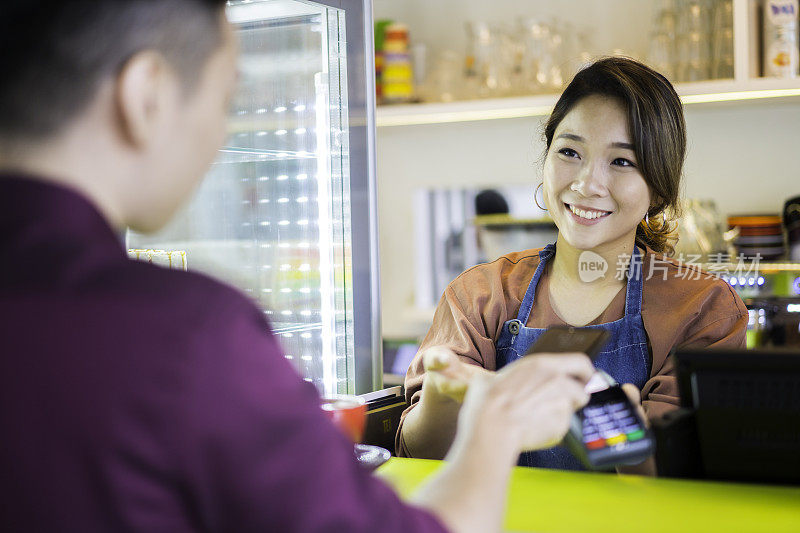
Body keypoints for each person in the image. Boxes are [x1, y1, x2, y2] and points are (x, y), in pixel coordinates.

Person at [0, 2, 596, 532]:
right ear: (145, 93)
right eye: (224, 100)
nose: (219, 136)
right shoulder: (183, 334)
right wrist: (496, 426)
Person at [397, 57, 748, 474]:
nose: (586, 184)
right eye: (569, 151)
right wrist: (443, 391)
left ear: (658, 189)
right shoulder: (480, 294)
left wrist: (607, 421)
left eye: (622, 161)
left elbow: (681, 474)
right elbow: (421, 458)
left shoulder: (702, 308)